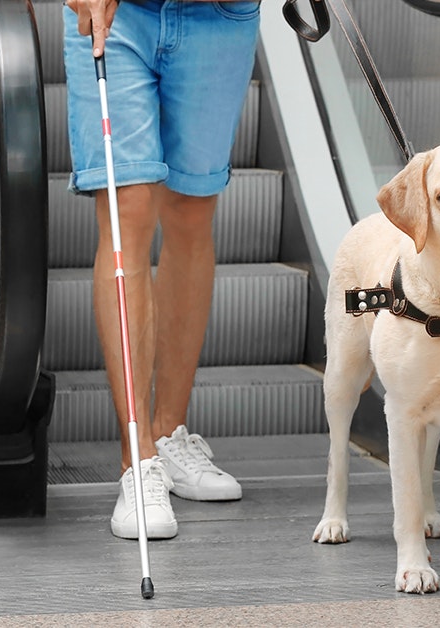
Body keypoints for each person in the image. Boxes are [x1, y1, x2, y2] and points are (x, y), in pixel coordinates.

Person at [62, 0, 261, 539]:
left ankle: (169, 434)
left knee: (192, 213)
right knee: (127, 211)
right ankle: (138, 458)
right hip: (117, 13)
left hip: (220, 16)